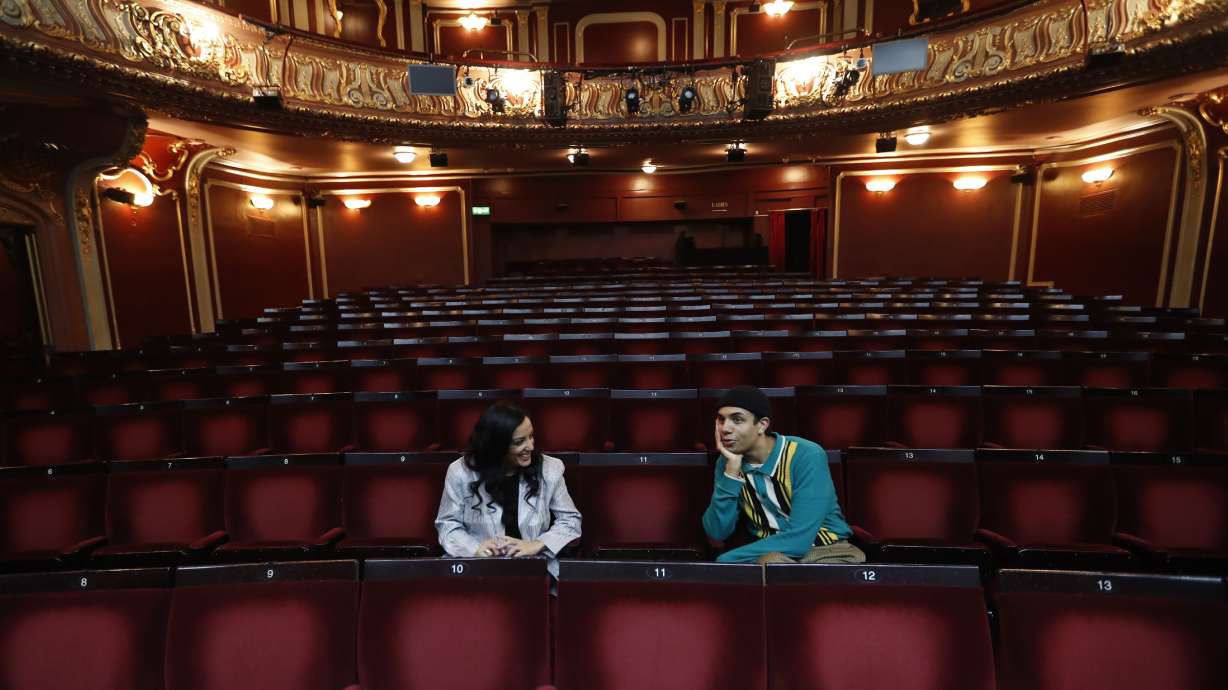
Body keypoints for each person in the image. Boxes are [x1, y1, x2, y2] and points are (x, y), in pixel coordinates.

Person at [702, 385, 864, 564]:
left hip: (827, 550)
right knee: (772, 565)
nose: (725, 428)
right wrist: (731, 474)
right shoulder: (727, 462)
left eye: (737, 420)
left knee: (778, 571)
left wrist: (726, 561)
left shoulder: (805, 455)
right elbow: (717, 531)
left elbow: (799, 539)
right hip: (769, 554)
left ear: (762, 425)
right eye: (720, 419)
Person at [435, 402, 581, 576]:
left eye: (531, 436)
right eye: (520, 442)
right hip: (478, 568)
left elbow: (570, 521)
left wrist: (536, 545)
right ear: (498, 445)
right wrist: (475, 549)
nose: (531, 446)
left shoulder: (550, 469)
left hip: (532, 568)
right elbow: (447, 525)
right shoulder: (460, 472)